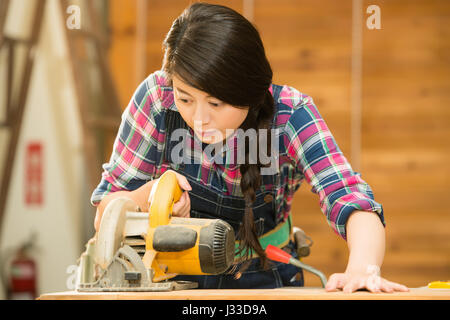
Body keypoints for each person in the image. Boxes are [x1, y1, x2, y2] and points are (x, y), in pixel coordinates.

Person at [91, 2, 408, 293]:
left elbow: (351, 200)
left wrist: (363, 269)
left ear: (251, 92)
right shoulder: (156, 100)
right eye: (185, 98)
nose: (199, 119)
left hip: (268, 278)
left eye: (216, 103)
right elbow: (106, 214)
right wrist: (146, 197)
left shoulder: (290, 114)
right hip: (170, 281)